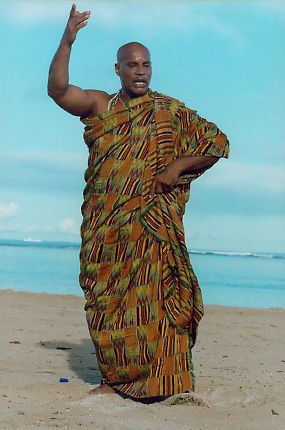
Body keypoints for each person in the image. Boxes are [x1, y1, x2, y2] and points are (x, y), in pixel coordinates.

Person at [48, 3, 229, 401]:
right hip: (105, 228)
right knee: (105, 299)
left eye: (146, 64)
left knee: (157, 302)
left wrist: (178, 165)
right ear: (118, 70)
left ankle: (166, 384)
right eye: (131, 64)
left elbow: (217, 142)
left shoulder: (170, 111)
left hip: (151, 226)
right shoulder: (101, 106)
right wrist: (68, 39)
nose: (140, 70)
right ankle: (113, 380)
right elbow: (59, 91)